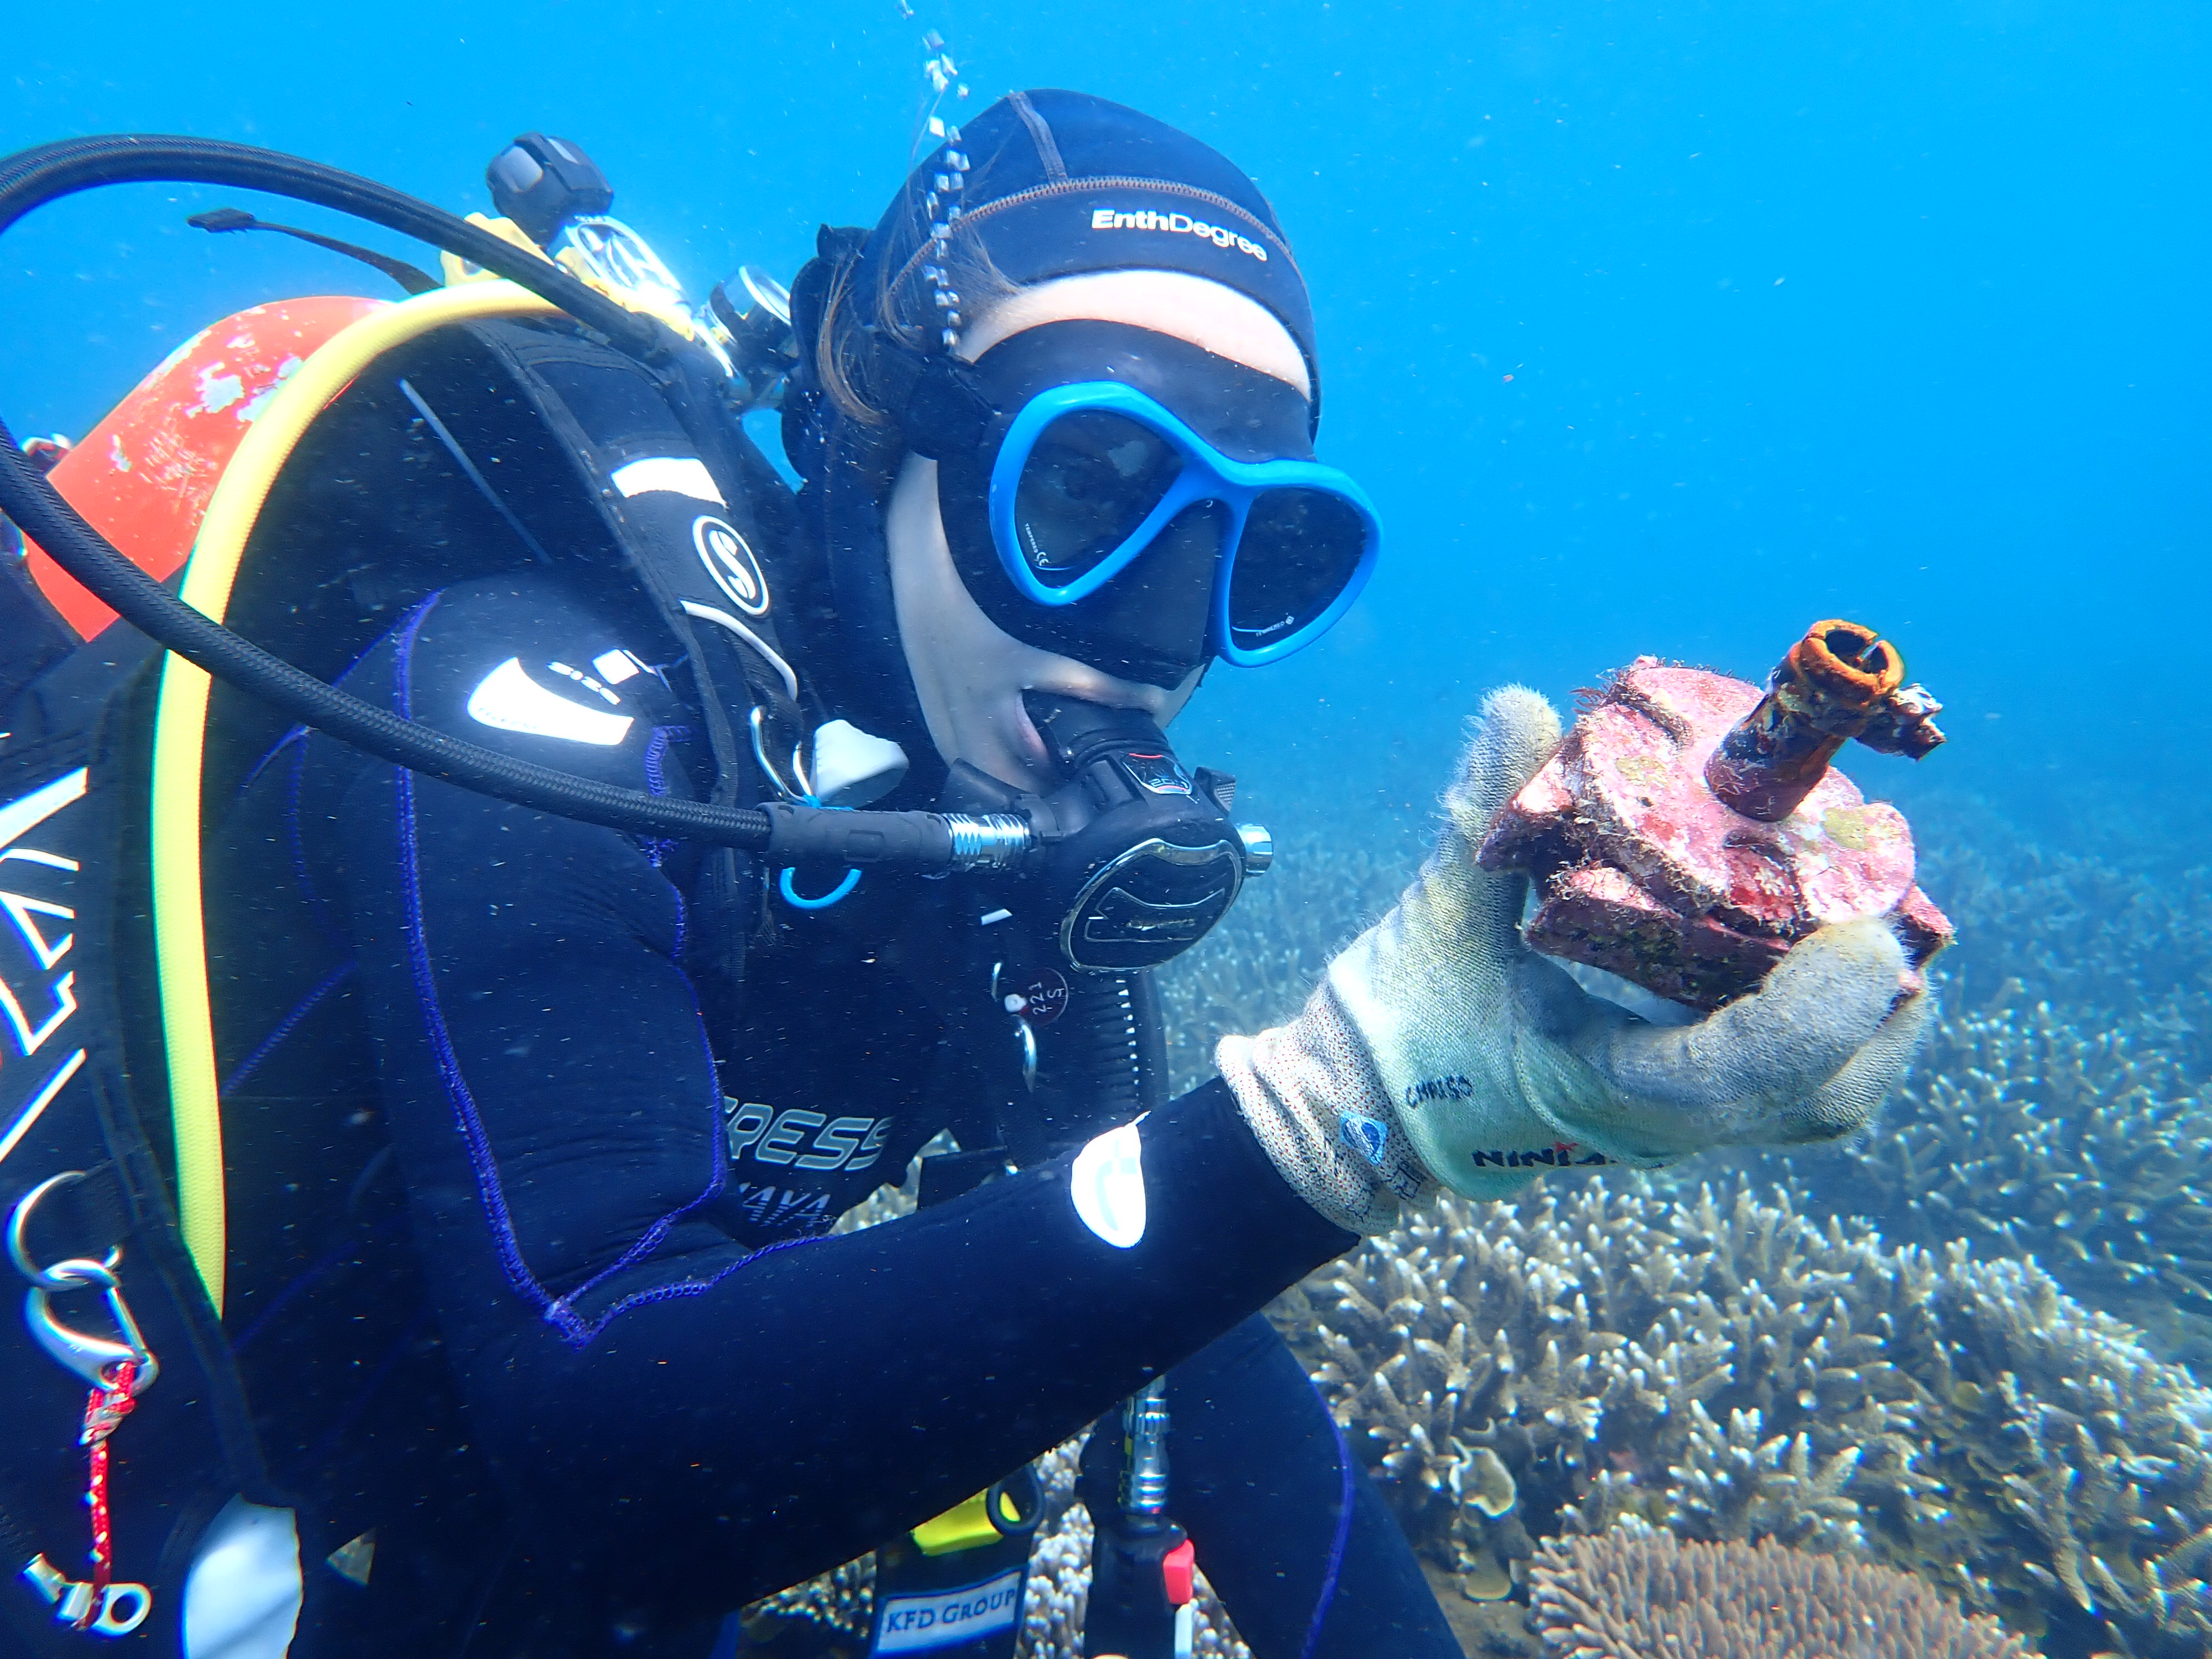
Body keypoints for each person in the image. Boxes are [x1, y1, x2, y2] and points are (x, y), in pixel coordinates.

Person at [189, 88, 1927, 1657]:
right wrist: (1358, 1113)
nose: (1154, 644)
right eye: (1086, 490)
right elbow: (608, 1453)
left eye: (1258, 549)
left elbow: (1174, 1321)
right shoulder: (513, 704)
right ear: (875, 433)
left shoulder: (990, 830)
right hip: (152, 1512)